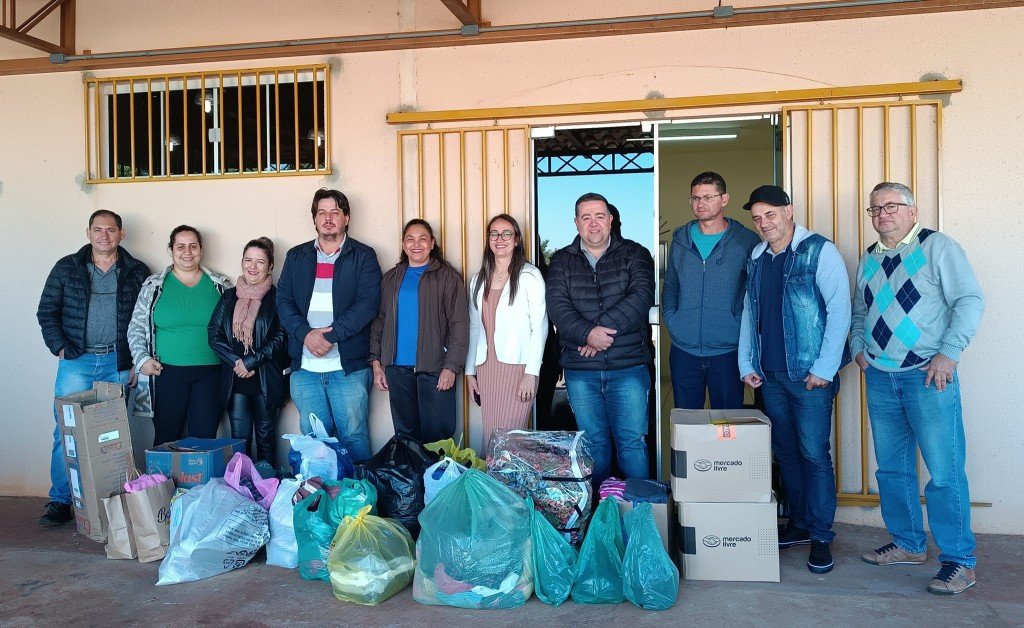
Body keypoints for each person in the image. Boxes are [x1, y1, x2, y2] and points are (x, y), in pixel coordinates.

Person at [852, 182, 984, 595]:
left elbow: (970, 300)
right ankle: (908, 544)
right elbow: (860, 311)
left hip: (929, 375)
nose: (882, 214)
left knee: (944, 473)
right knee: (891, 469)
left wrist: (949, 352)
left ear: (912, 211)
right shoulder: (868, 259)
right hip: (880, 375)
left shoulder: (938, 247)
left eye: (892, 206)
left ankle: (960, 562)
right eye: (875, 208)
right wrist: (859, 348)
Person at [737, 185, 851, 575]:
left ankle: (821, 535)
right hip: (769, 376)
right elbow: (751, 314)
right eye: (757, 217)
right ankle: (800, 524)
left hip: (809, 378)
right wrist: (746, 361)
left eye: (770, 214)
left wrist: (825, 368)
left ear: (789, 211)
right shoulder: (756, 256)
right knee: (786, 454)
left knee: (815, 454)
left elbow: (839, 311)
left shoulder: (820, 251)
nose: (764, 223)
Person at [36, 210, 150, 526]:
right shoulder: (66, 268)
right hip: (78, 362)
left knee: (111, 435)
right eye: (97, 230)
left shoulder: (137, 271)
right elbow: (47, 312)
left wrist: (135, 362)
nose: (104, 236)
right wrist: (60, 347)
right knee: (66, 432)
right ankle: (60, 500)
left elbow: (147, 320)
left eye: (110, 230)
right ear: (88, 232)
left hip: (118, 363)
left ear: (121, 234)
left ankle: (109, 500)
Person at [546, 192, 655, 484]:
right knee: (595, 448)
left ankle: (640, 518)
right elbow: (557, 306)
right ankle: (600, 520)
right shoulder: (561, 261)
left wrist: (595, 333)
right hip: (582, 371)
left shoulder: (636, 254)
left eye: (599, 216)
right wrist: (586, 334)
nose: (593, 223)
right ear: (576, 223)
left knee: (632, 446)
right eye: (586, 217)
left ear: (610, 219)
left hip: (628, 367)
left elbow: (641, 298)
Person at [277, 188, 381, 463]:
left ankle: (358, 501)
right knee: (313, 443)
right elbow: (283, 301)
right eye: (322, 212)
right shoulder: (297, 256)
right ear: (314, 219)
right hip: (306, 370)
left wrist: (331, 336)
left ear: (346, 218)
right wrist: (306, 335)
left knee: (354, 438)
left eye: (335, 212)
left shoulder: (363, 255)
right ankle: (320, 502)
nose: (328, 218)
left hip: (347, 369)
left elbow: (368, 304)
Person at [663, 171, 760, 409]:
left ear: (724, 199)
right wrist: (672, 319)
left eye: (708, 197)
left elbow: (754, 292)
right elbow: (672, 284)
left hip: (727, 351)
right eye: (695, 198)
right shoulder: (680, 240)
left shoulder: (746, 241)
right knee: (687, 425)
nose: (701, 203)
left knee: (726, 425)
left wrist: (737, 324)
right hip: (684, 350)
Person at [128, 225, 231, 446]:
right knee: (166, 438)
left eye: (193, 246)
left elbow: (234, 328)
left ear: (201, 250)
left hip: (211, 375)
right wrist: (141, 359)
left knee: (204, 441)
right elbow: (135, 327)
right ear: (171, 250)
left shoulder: (220, 286)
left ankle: (199, 482)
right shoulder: (154, 286)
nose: (187, 251)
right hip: (165, 374)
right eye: (180, 246)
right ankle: (163, 482)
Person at [369, 219, 468, 444]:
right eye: (410, 239)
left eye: (423, 239)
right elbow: (380, 321)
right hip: (397, 369)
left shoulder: (447, 277)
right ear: (404, 245)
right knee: (406, 437)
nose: (417, 244)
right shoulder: (392, 278)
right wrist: (377, 363)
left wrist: (451, 367)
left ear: (432, 243)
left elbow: (459, 325)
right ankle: (412, 479)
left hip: (435, 368)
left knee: (438, 437)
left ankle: (439, 480)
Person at [465, 214, 548, 447]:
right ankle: (491, 484)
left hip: (518, 368)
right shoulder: (478, 280)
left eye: (506, 233)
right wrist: (470, 372)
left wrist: (531, 374)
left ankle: (505, 484)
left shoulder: (530, 276)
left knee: (511, 440)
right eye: (494, 233)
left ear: (517, 240)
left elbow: (539, 327)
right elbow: (474, 326)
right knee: (490, 436)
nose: (499, 239)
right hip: (487, 367)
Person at [208, 237, 288, 463]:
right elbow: (214, 334)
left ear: (270, 265)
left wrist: (250, 362)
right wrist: (237, 362)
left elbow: (281, 336)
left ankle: (267, 488)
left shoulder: (278, 297)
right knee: (239, 440)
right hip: (236, 380)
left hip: (265, 379)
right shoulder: (229, 297)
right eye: (248, 260)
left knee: (266, 439)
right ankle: (241, 488)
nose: (253, 267)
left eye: (260, 262)